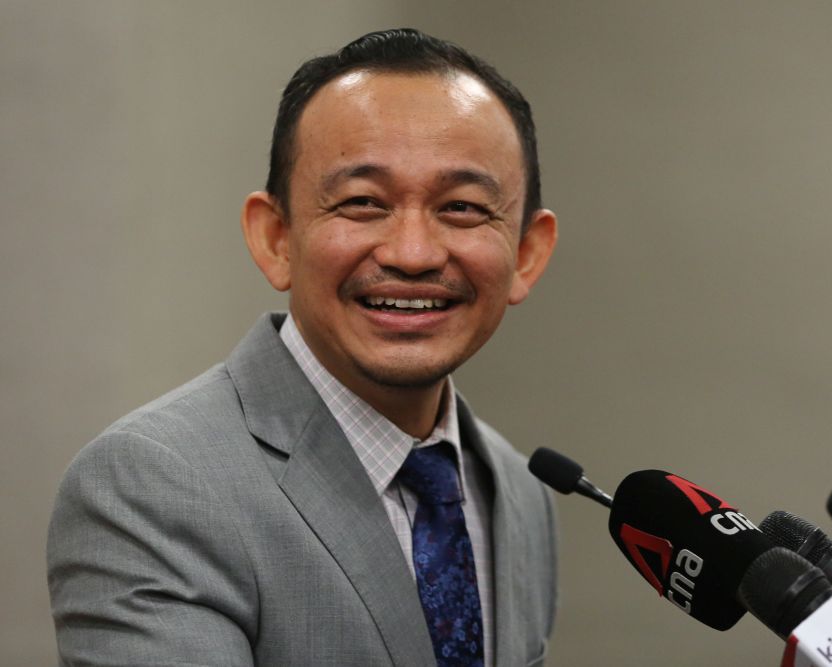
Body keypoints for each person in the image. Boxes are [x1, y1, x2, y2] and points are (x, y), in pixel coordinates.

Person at [47, 28, 559, 667]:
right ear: (276, 238)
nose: (413, 253)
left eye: (461, 208)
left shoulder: (518, 492)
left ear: (527, 254)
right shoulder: (152, 486)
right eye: (363, 202)